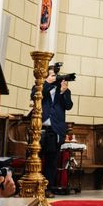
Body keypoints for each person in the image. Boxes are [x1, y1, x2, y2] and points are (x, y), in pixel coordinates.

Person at [31, 65, 73, 197]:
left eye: (55, 75)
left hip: (55, 130)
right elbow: (35, 97)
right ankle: (31, 187)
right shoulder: (38, 86)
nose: (55, 77)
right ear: (45, 76)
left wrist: (62, 92)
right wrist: (47, 84)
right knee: (34, 159)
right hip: (39, 129)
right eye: (52, 75)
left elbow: (68, 106)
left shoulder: (64, 90)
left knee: (51, 161)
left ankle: (47, 189)